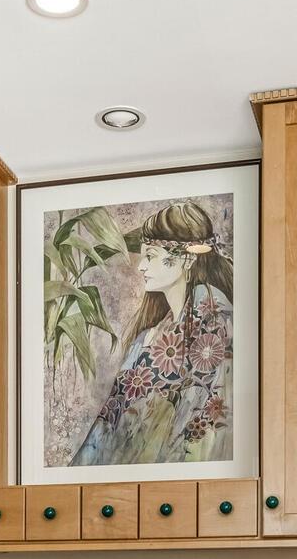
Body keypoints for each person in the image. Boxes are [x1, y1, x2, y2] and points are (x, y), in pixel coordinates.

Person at [73, 200, 234, 467]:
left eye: (151, 256)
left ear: (186, 259)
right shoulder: (147, 336)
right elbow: (111, 418)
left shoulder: (214, 323)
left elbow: (208, 421)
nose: (141, 267)